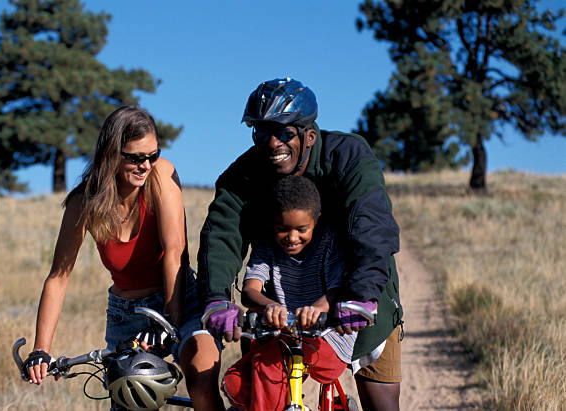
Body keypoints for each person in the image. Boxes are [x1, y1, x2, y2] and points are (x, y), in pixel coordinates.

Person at [199, 78, 403, 410]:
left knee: (381, 402)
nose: (272, 142)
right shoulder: (245, 174)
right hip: (283, 304)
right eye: (261, 132)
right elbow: (222, 233)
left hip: (357, 291)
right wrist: (216, 298)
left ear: (309, 135)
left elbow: (373, 226)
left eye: (284, 132)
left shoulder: (348, 156)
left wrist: (362, 295)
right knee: (257, 389)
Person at [22, 106, 223, 411]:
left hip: (180, 298)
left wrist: (169, 321)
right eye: (135, 157)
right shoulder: (83, 203)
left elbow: (174, 253)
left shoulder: (161, 175)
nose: (146, 165)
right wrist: (41, 349)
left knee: (201, 381)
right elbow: (58, 277)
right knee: (130, 399)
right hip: (126, 315)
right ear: (112, 154)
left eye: (152, 155)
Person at [222, 175, 371, 411]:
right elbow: (250, 291)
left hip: (328, 336)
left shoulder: (329, 241)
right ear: (272, 223)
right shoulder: (266, 245)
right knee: (234, 383)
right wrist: (268, 306)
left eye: (302, 229)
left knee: (268, 365)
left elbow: (337, 289)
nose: (292, 238)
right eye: (282, 229)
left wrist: (317, 309)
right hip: (282, 334)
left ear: (316, 220)